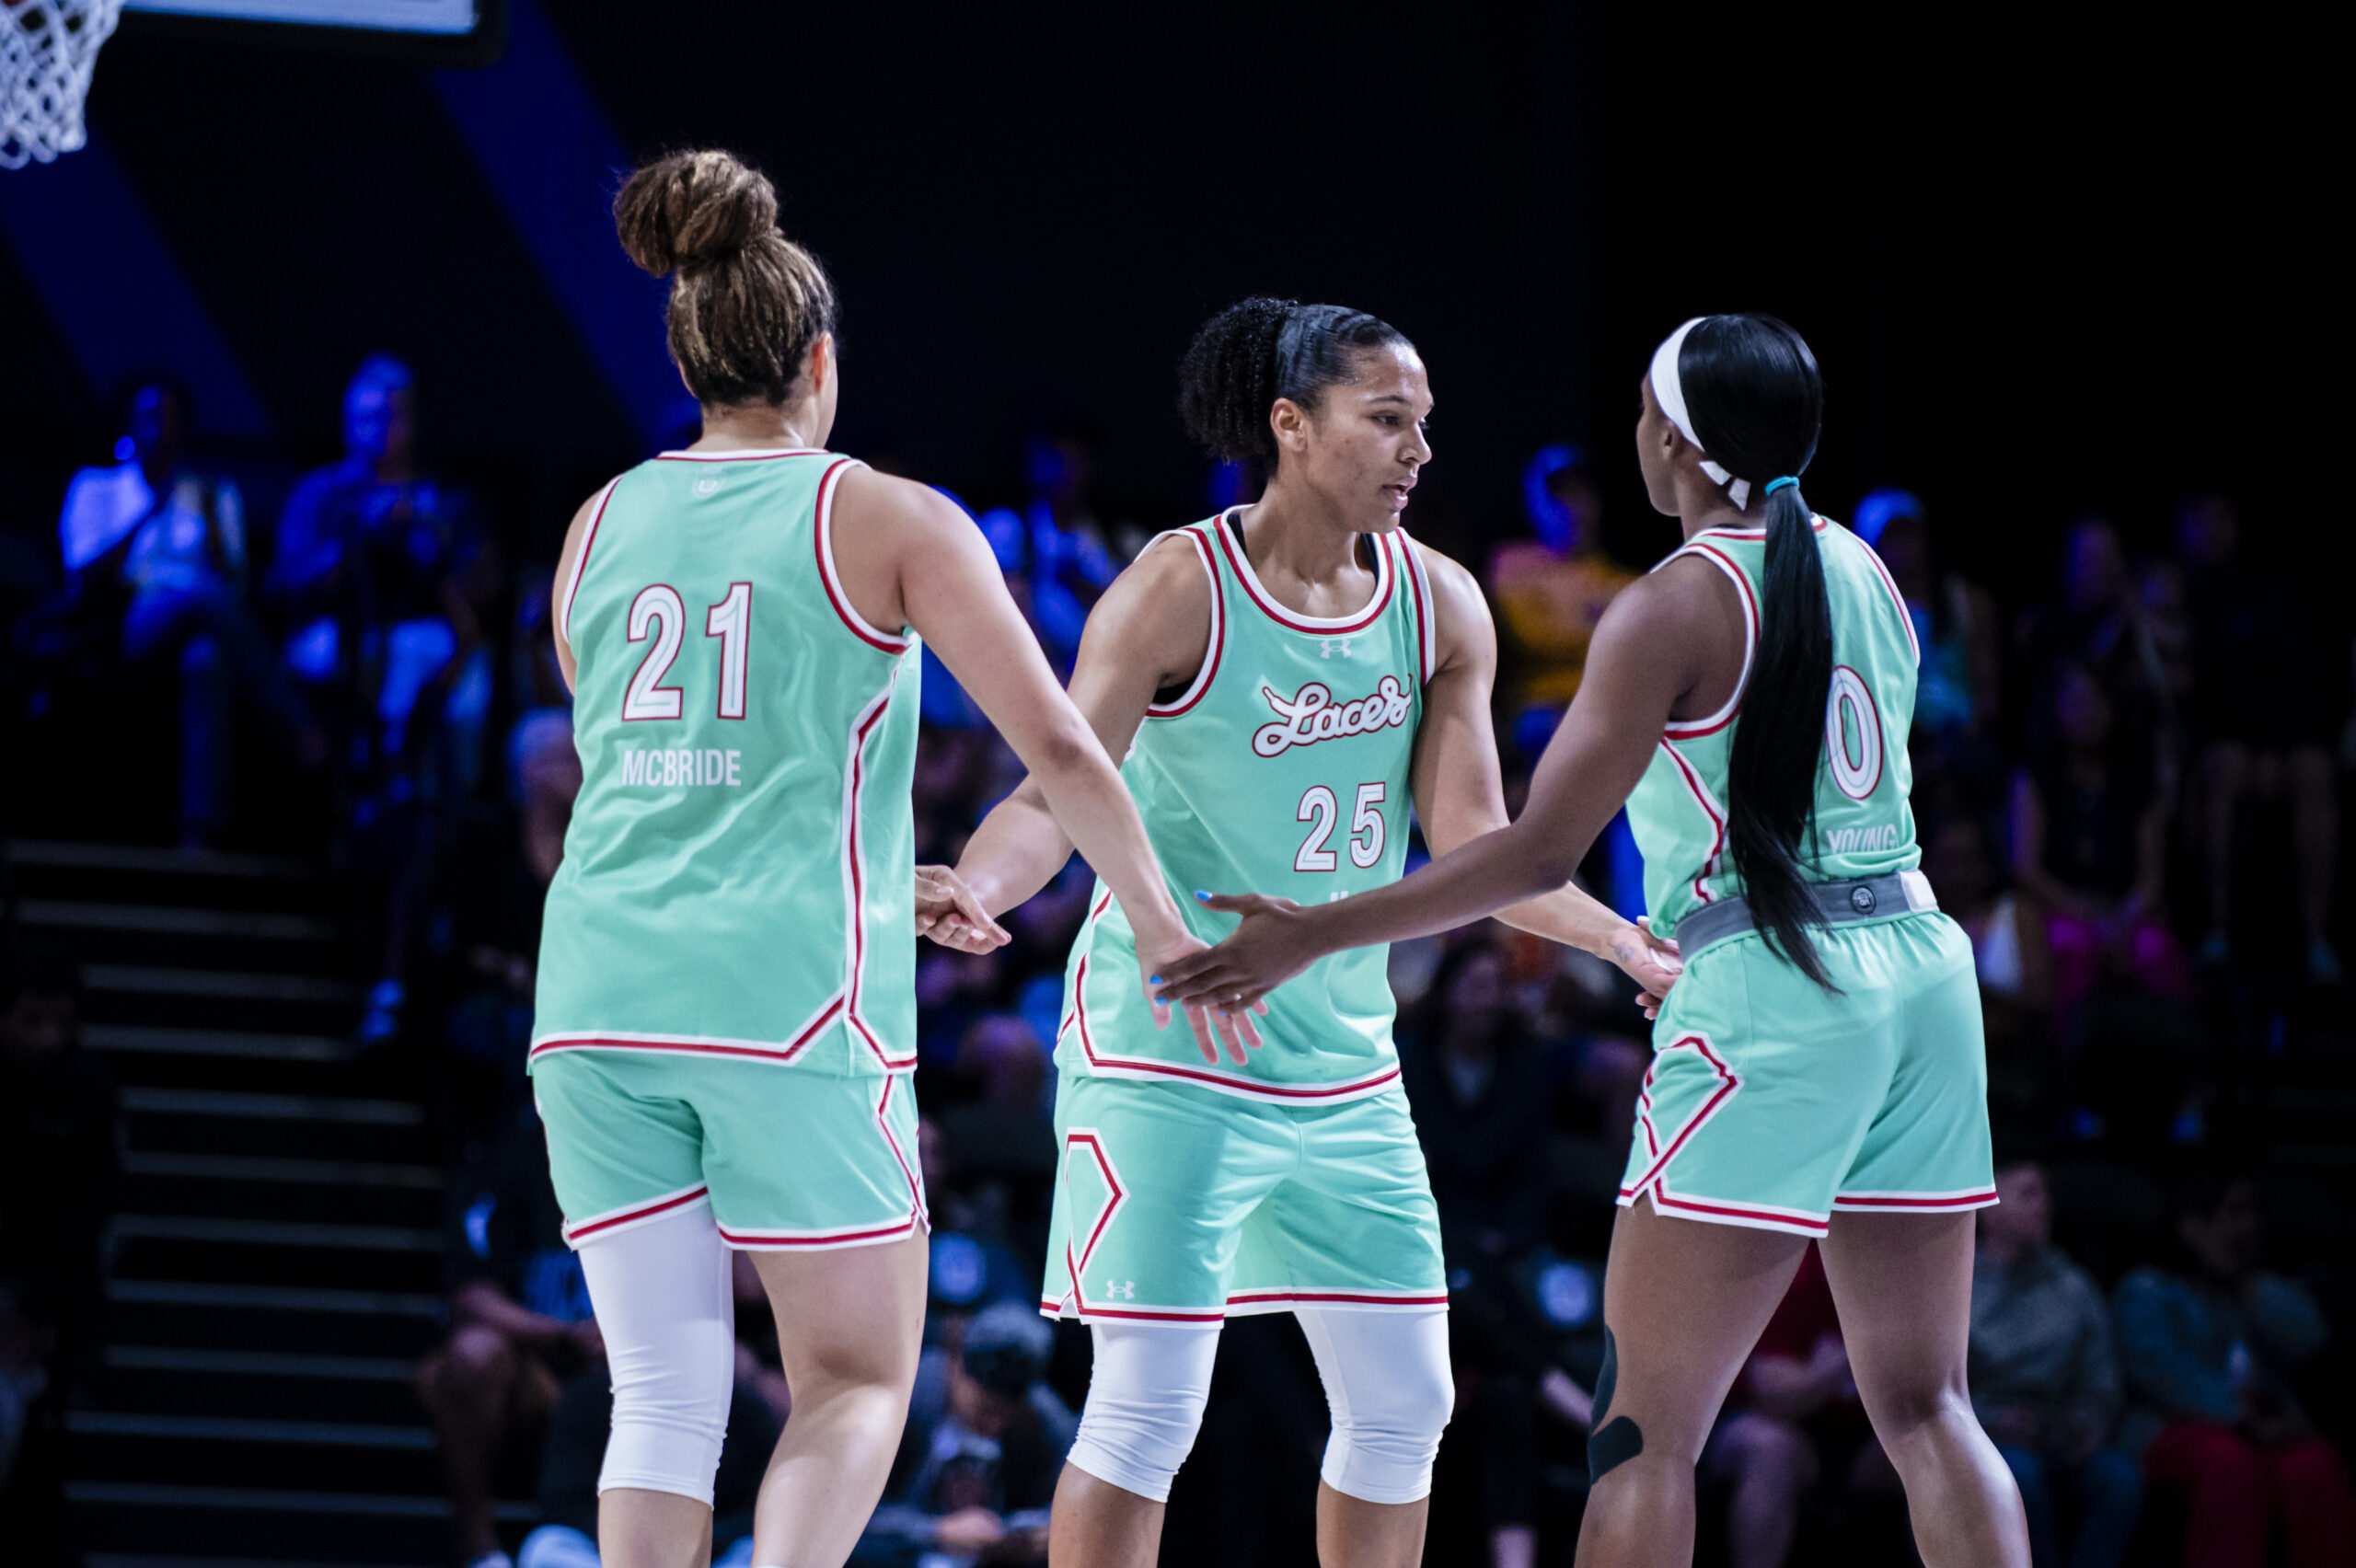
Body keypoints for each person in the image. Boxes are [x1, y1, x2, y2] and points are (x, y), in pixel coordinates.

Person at [1159, 313, 2034, 1565]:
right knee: (1929, 1407)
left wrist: (1315, 929)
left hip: (1778, 983)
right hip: (1920, 970)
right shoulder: (1864, 570)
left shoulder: (1670, 607)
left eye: (1640, 408)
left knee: (1644, 1435)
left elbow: (1528, 856)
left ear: (1675, 440)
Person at [526, 148, 1217, 1568]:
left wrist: (854, 873)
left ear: (690, 354)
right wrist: (1156, 919)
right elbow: (1072, 750)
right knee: (853, 1381)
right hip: (785, 1007)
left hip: (594, 998)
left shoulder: (595, 524)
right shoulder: (888, 514)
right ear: (822, 362)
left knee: (660, 1399)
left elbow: (649, 789)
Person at [923, 296, 1678, 1568]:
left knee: (1407, 1405)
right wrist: (983, 889)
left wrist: (1620, 942)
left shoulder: (1441, 604)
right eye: (1386, 420)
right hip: (1163, 1050)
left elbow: (1480, 848)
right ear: (1291, 425)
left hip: (1341, 1065)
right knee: (1149, 1409)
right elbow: (1054, 789)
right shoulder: (1177, 584)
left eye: (1424, 424)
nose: (1417, 450)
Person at [51, 379, 318, 842]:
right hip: (119, 628)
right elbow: (84, 575)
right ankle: (295, 723)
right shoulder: (98, 488)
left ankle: (202, 834)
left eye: (170, 420)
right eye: (149, 418)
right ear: (130, 424)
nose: (159, 430)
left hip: (199, 629)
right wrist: (150, 511)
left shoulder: (212, 493)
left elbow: (233, 586)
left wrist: (209, 517)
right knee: (197, 591)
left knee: (206, 660)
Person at [2114, 1173, 2356, 1568]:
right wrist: (2243, 1415)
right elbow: (2162, 1375)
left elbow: (2312, 1340)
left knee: (2314, 1463)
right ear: (2193, 1227)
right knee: (2230, 1464)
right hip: (2171, 1429)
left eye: (2251, 1213)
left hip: (2261, 1428)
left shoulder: (2256, 1291)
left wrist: (2249, 1286)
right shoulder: (2146, 1290)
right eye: (2234, 1213)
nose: (2249, 1225)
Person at [416, 1114, 602, 1568]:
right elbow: (471, 1297)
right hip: (534, 1368)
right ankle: (482, 1550)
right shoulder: (504, 1168)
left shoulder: (644, 1168)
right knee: (472, 1355)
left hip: (626, 1367)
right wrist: (562, 1333)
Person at [2175, 495, 2340, 982]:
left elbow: (2300, 678)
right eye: (2194, 521)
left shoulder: (2272, 594)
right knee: (2225, 766)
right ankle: (2218, 931)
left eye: (2214, 519)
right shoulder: (2177, 592)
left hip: (2280, 736)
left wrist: (2274, 749)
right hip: (2216, 741)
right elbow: (2201, 690)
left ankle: (2318, 940)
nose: (2205, 531)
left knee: (2314, 770)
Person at [1969, 1160, 2141, 1568]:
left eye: (2046, 1195)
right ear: (1987, 1207)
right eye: (2028, 1194)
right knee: (2018, 1477)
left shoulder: (2073, 1287)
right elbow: (1926, 1382)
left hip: (2056, 1437)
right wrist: (1987, 1418)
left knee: (2118, 1480)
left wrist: (2088, 1420)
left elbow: (2100, 1378)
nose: (2044, 1206)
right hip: (1978, 1436)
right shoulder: (1954, 1281)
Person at [2008, 663, 2190, 1018]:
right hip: (2056, 909)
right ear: (2057, 707)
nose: (2086, 712)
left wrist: (2122, 920)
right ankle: (2065, 1064)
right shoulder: (2034, 778)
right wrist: (2084, 914)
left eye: (2096, 701)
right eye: (2075, 701)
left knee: (2153, 951)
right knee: (2077, 949)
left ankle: (2169, 1063)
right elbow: (2025, 867)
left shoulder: (2138, 782)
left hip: (2125, 912)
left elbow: (2150, 878)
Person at [1703, 1244, 1900, 1568]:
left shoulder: (1914, 1274)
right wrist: (1854, 1354)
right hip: (1776, 1424)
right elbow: (1773, 1399)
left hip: (1868, 1437)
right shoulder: (1796, 1271)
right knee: (1769, 1446)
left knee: (1937, 1455)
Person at [855, 1304, 1078, 1566]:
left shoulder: (1044, 1419)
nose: (995, 1426)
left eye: (1007, 1416)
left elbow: (1070, 1508)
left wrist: (1047, 1534)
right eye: (985, 1411)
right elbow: (848, 1516)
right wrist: (934, 1531)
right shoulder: (907, 1400)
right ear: (955, 1366)